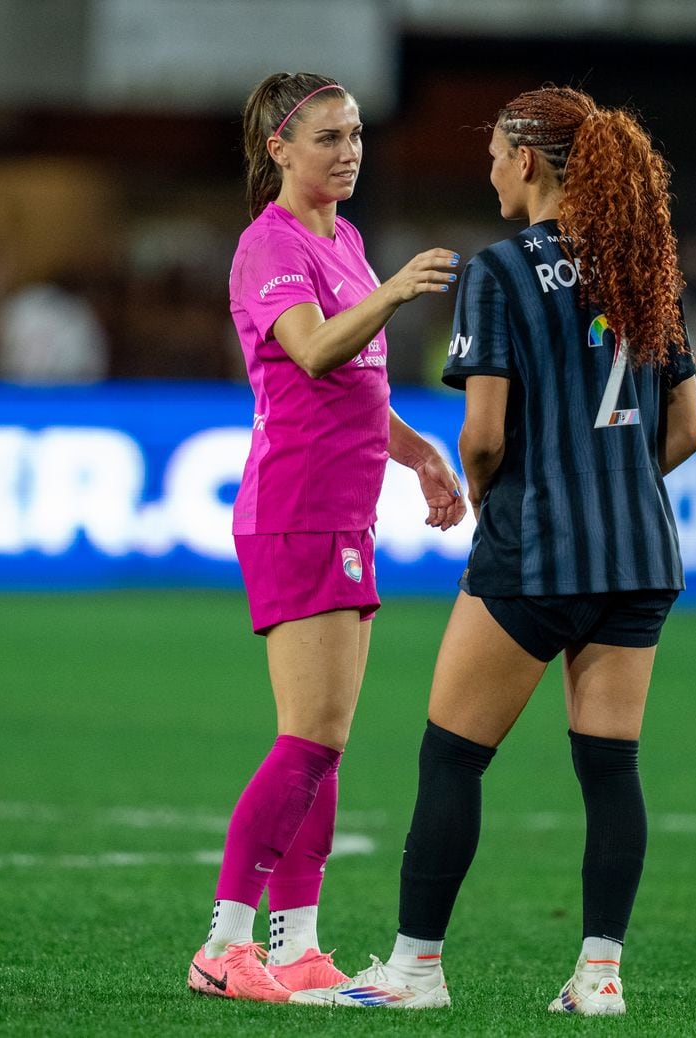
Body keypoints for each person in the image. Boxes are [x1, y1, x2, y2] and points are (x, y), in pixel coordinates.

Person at [291, 85, 696, 1015]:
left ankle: (414, 972)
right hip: (639, 554)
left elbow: (482, 433)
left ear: (525, 160)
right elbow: (686, 428)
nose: (486, 170)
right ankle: (599, 978)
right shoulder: (645, 265)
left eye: (493, 155)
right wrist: (613, 484)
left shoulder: (501, 270)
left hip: (536, 551)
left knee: (451, 759)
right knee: (611, 768)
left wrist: (491, 496)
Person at [186, 71, 466, 1004]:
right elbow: (312, 350)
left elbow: (354, 385)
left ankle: (298, 945)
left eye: (354, 135)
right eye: (328, 138)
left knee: (327, 743)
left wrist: (418, 450)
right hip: (296, 510)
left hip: (344, 511)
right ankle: (225, 947)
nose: (349, 152)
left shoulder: (339, 236)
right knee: (306, 739)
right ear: (279, 149)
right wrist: (391, 295)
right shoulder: (268, 245)